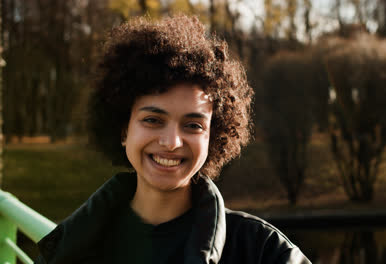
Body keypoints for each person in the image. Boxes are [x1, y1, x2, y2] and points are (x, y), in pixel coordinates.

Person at [35, 15, 311, 264]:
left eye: (192, 125)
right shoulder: (71, 248)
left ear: (212, 136)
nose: (171, 142)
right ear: (123, 130)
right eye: (153, 120)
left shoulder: (261, 251)